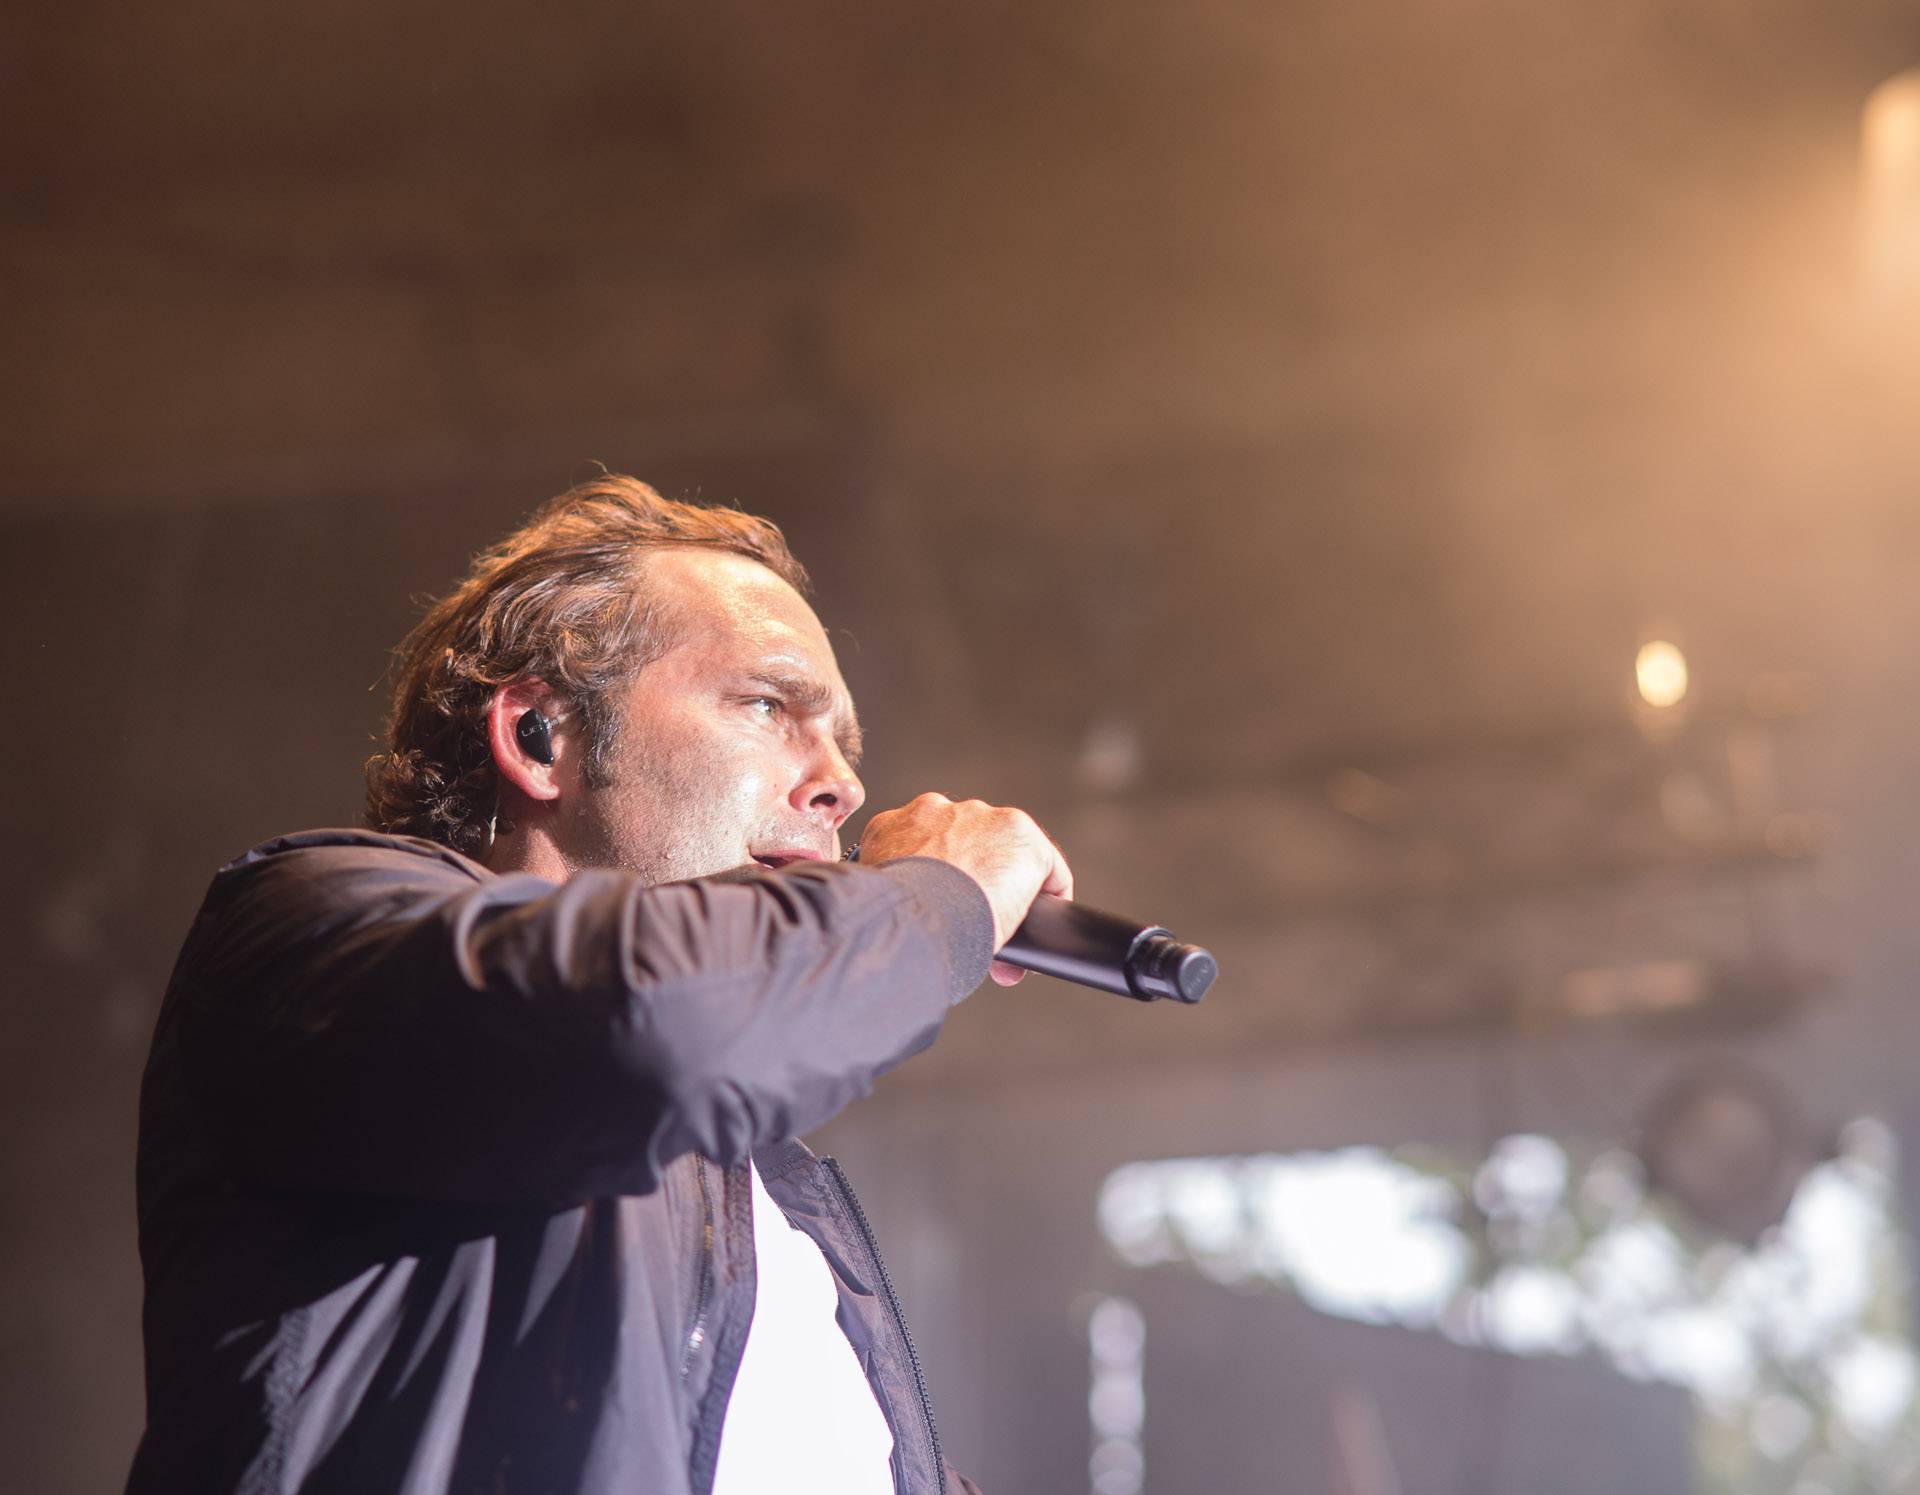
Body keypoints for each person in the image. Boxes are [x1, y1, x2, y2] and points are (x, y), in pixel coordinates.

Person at [125, 475, 1072, 1495]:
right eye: (767, 705)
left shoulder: (776, 1212)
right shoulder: (314, 926)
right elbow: (653, 1028)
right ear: (542, 734)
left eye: (843, 745)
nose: (842, 784)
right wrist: (935, 900)